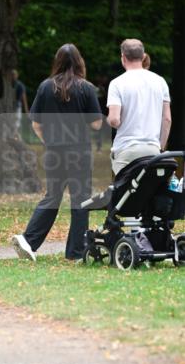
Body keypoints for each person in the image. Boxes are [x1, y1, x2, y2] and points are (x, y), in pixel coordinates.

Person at [11, 43, 102, 264]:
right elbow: (98, 124)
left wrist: (50, 142)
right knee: (80, 200)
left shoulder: (44, 87)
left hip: (54, 152)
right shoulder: (87, 88)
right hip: (79, 152)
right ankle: (76, 252)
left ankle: (28, 240)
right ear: (79, 62)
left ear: (57, 62)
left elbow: (35, 124)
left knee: (52, 197)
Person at [106, 39, 171, 175]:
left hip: (126, 150)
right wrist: (160, 148)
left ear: (123, 57)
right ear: (142, 56)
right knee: (149, 191)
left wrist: (109, 119)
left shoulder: (117, 83)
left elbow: (114, 120)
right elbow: (167, 119)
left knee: (125, 192)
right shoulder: (160, 81)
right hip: (153, 149)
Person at [12, 69, 29, 136]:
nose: (13, 76)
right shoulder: (8, 84)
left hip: (17, 106)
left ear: (17, 76)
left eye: (14, 75)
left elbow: (24, 98)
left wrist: (26, 110)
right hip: (11, 106)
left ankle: (16, 136)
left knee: (17, 122)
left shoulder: (20, 85)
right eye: (12, 75)